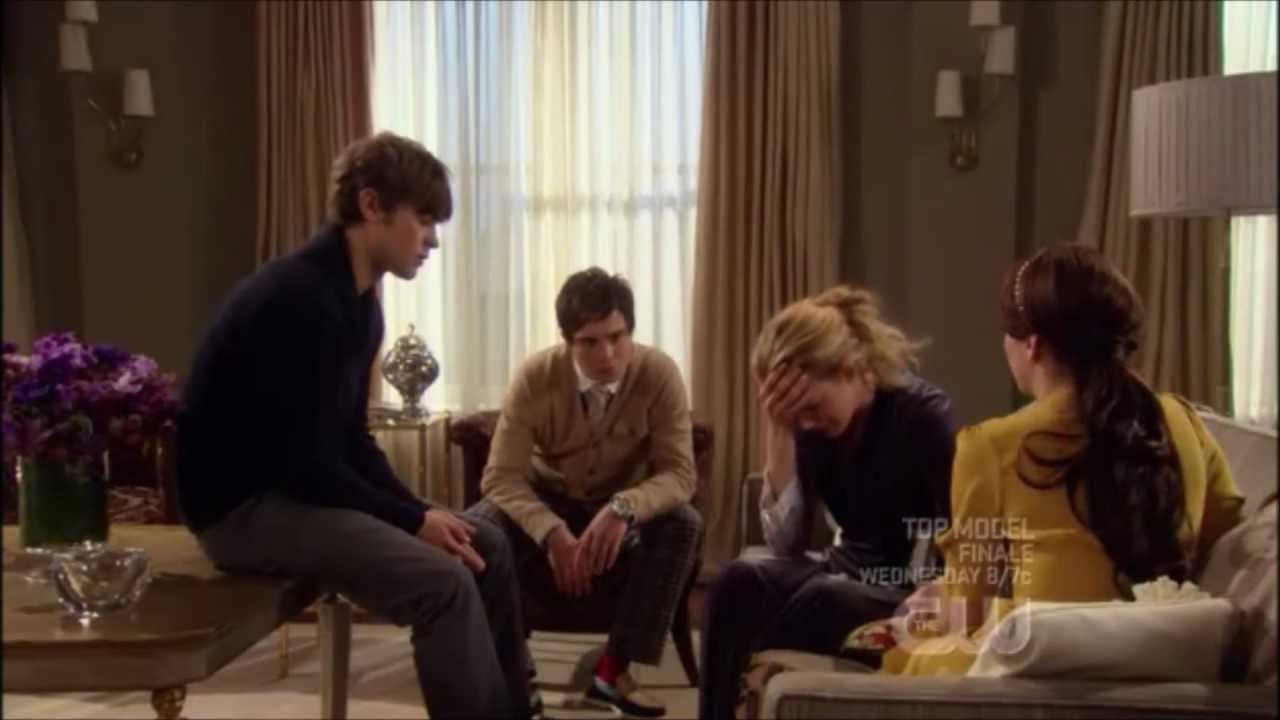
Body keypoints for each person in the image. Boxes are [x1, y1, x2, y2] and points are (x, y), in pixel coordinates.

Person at [175, 132, 534, 720]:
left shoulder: (361, 305)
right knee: (443, 585)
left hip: (296, 491)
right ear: (371, 206)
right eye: (424, 219)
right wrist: (412, 520)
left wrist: (416, 512)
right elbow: (306, 464)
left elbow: (351, 442)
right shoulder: (299, 297)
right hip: (242, 510)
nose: (433, 240)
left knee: (485, 543)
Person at [881, 244, 1246, 676]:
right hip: (1162, 659)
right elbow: (1225, 541)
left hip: (1042, 663)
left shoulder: (989, 445)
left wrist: (938, 606)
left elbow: (970, 611)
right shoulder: (1186, 422)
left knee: (903, 647)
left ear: (1032, 344)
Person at [698, 286, 956, 720]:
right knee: (732, 584)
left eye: (813, 407)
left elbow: (958, 540)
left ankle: (749, 654)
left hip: (904, 589)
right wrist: (779, 432)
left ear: (852, 369)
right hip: (842, 570)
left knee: (825, 597)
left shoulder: (923, 417)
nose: (807, 422)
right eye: (795, 414)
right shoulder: (807, 426)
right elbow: (787, 544)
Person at [465, 267, 702, 718]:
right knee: (477, 528)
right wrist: (551, 532)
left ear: (630, 331)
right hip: (547, 498)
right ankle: (516, 674)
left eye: (617, 337)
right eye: (589, 342)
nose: (607, 355)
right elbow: (500, 477)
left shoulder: (659, 373)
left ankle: (612, 674)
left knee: (684, 523)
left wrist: (624, 508)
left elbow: (679, 474)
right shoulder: (535, 376)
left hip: (621, 505)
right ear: (567, 340)